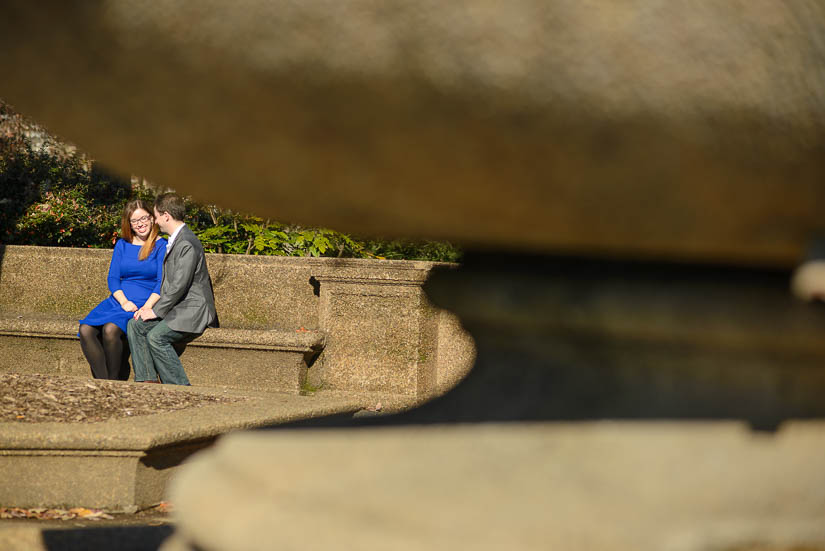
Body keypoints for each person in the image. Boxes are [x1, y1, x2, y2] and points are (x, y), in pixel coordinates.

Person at [127, 193, 219, 384]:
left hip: (194, 309)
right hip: (178, 308)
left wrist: (155, 311)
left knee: (156, 337)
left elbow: (179, 285)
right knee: (135, 326)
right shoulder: (176, 239)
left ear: (166, 215)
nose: (156, 221)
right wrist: (147, 308)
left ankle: (180, 388)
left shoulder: (186, 242)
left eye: (157, 216)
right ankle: (147, 382)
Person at [78, 200, 166, 380]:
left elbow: (161, 282)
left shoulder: (161, 245)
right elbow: (113, 278)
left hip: (144, 301)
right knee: (86, 329)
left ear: (152, 218)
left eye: (144, 218)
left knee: (110, 330)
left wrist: (147, 307)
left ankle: (114, 381)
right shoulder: (122, 244)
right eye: (135, 221)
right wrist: (124, 301)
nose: (140, 224)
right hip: (120, 300)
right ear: (129, 224)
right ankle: (105, 383)